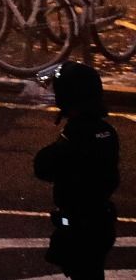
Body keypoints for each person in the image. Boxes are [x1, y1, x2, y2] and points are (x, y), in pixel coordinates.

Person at [33, 61, 119, 280]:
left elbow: (42, 166)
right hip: (100, 223)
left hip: (80, 229)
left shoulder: (76, 136)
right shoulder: (107, 132)